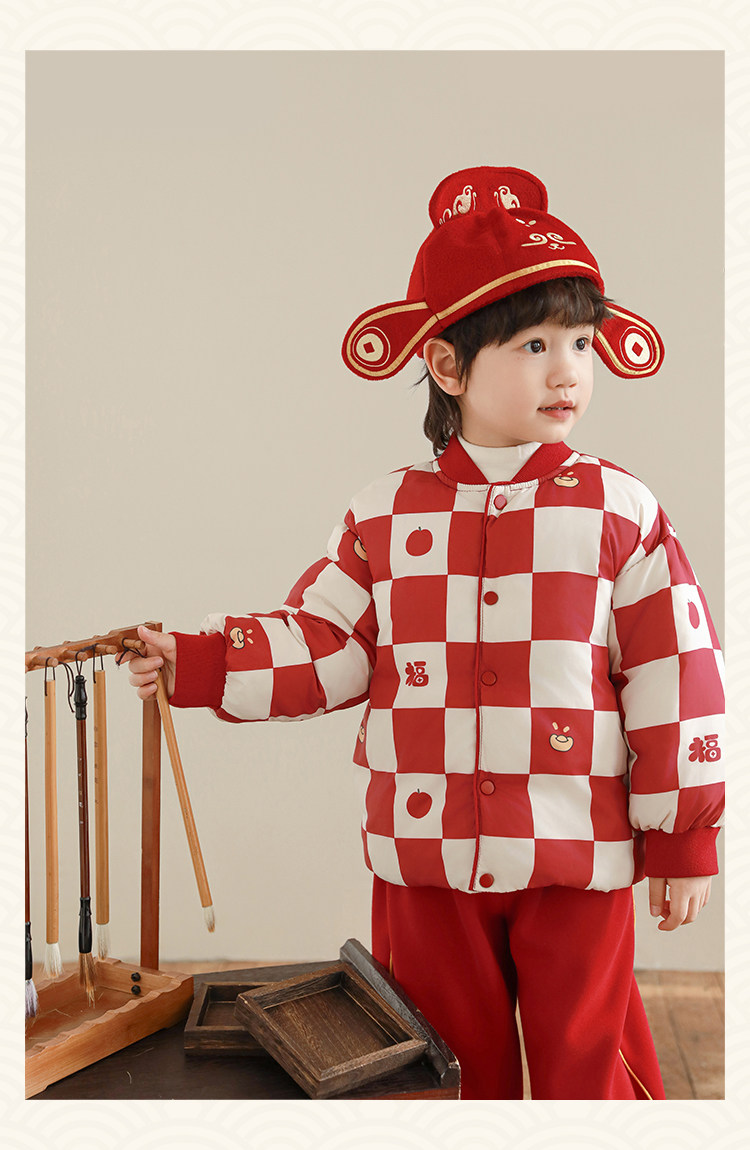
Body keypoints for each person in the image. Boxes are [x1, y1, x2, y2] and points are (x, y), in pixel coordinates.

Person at [120, 166, 724, 1100]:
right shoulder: (387, 513)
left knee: (588, 1063)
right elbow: (328, 643)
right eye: (534, 344)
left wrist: (683, 839)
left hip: (577, 850)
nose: (568, 369)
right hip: (426, 851)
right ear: (447, 365)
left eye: (582, 341)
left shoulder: (620, 511)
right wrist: (201, 661)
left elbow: (675, 675)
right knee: (443, 1068)